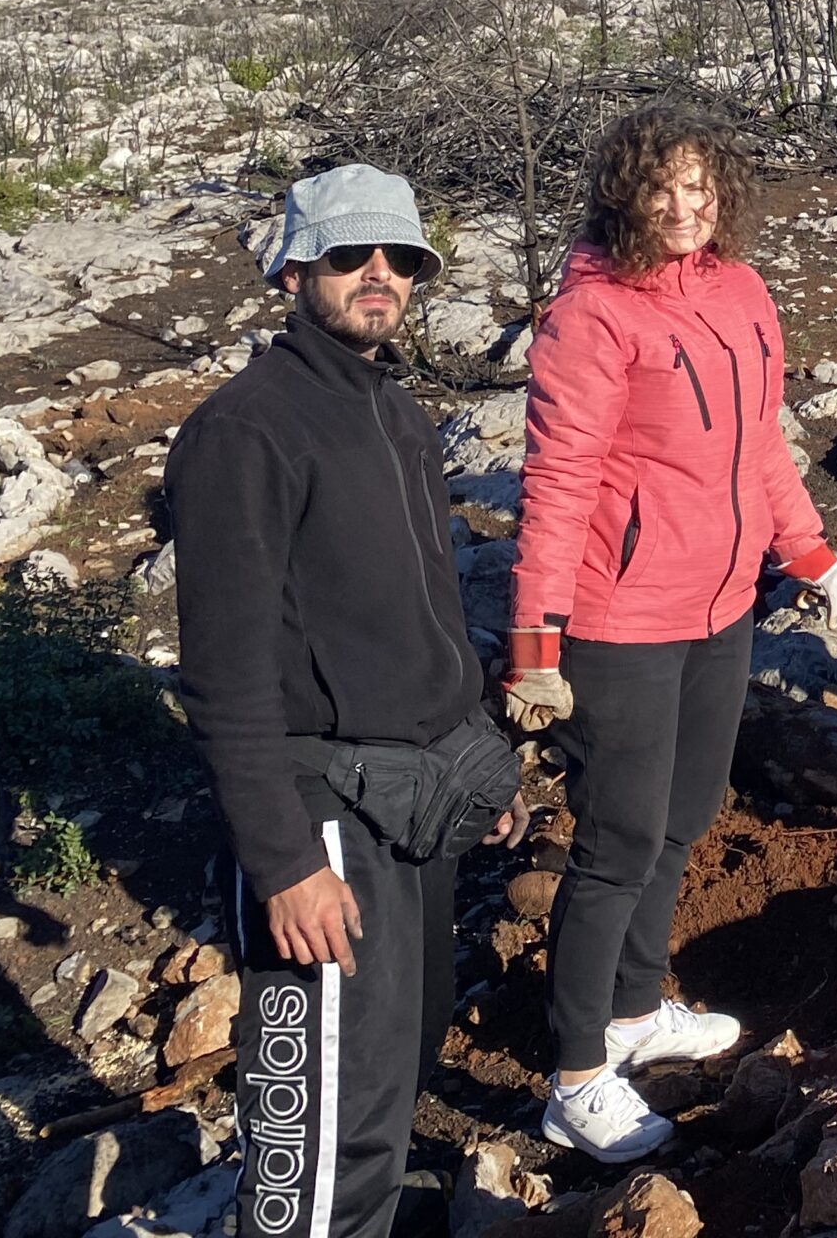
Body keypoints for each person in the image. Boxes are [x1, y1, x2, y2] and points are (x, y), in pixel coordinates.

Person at [171, 165, 529, 1238]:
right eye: (349, 255)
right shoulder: (246, 431)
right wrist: (284, 864)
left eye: (400, 257)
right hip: (320, 810)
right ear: (294, 271)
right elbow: (223, 675)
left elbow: (422, 611)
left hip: (416, 793)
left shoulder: (394, 410)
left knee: (400, 1056)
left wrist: (474, 753)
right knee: (328, 1115)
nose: (380, 275)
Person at [503, 103, 837, 1160]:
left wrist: (808, 551)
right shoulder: (591, 317)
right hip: (621, 618)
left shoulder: (739, 292)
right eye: (661, 187)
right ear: (625, 195)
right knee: (616, 841)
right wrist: (534, 640)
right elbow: (557, 483)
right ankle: (576, 1079)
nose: (682, 206)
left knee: (684, 816)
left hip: (722, 603)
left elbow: (761, 443)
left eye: (699, 186)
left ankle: (631, 1007)